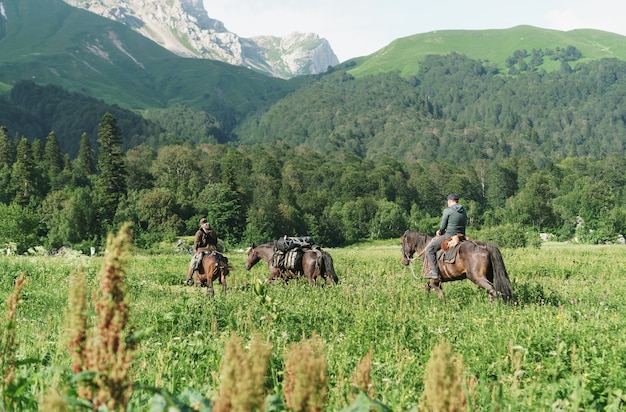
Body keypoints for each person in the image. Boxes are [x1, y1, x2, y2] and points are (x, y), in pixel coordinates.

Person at [424, 193, 467, 280]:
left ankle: (434, 271)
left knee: (429, 249)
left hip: (449, 235)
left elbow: (443, 226)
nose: (447, 203)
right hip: (461, 236)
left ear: (450, 201)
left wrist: (439, 232)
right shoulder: (463, 210)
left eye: (448, 201)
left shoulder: (448, 210)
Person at [184, 218, 218, 285]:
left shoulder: (199, 232)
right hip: (213, 250)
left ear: (201, 224)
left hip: (202, 250)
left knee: (193, 262)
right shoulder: (213, 232)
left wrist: (196, 250)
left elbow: (196, 242)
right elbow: (216, 241)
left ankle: (188, 278)